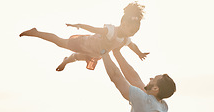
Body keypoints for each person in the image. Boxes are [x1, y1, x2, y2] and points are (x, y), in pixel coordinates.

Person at [19, 2, 149, 71]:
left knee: (79, 57)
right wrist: (79, 25)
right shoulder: (110, 31)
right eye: (132, 30)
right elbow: (93, 28)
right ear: (123, 23)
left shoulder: (125, 39)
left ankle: (65, 61)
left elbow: (133, 46)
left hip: (95, 53)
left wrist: (139, 53)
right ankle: (36, 32)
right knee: (60, 42)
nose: (133, 33)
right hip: (85, 44)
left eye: (136, 31)